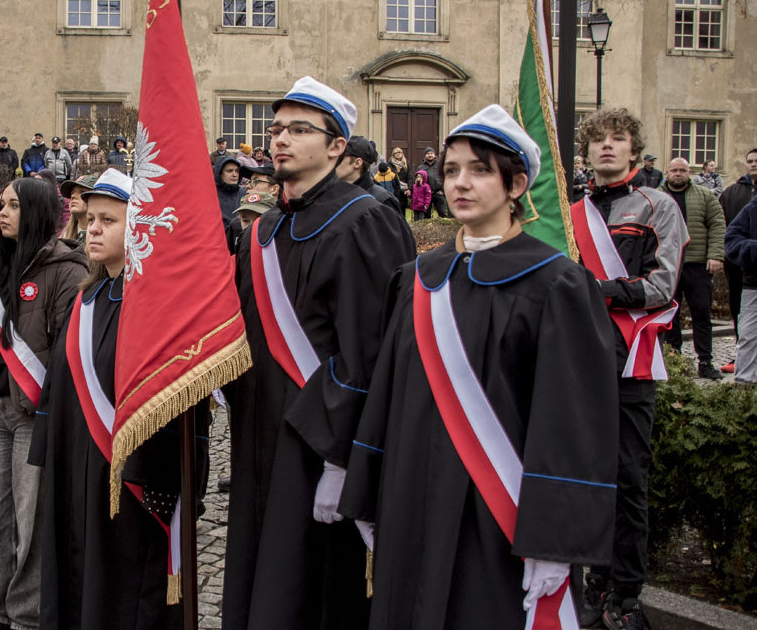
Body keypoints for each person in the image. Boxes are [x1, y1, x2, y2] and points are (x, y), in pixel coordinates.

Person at [339, 103, 620, 630]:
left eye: (479, 169)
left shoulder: (556, 283)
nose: (459, 183)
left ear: (516, 185)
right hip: (410, 496)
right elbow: (386, 394)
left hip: (497, 511)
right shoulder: (418, 278)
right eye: (450, 170)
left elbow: (573, 420)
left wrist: (555, 540)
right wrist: (369, 489)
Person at [227, 77, 415, 630]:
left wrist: (343, 461)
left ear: (338, 147)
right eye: (277, 128)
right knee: (260, 566)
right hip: (257, 428)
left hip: (318, 444)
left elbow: (372, 352)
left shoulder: (365, 222)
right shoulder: (264, 232)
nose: (281, 139)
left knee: (311, 585)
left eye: (300, 129)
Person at [31, 168, 204, 630]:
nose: (92, 229)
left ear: (140, 227)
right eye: (90, 219)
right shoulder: (86, 297)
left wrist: (165, 478)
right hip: (76, 465)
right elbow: (59, 383)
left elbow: (180, 401)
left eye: (109, 220)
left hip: (134, 475)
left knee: (125, 583)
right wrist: (50, 451)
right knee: (76, 568)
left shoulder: (159, 304)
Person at [572, 108, 688, 630]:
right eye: (598, 140)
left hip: (629, 363)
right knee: (583, 477)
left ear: (634, 150)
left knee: (626, 480)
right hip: (577, 362)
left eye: (618, 139)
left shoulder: (657, 205)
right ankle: (593, 584)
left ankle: (626, 593)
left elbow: (664, 285)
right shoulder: (572, 213)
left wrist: (602, 293)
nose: (607, 147)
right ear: (586, 152)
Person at [0, 176, 88, 630]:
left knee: (30, 522)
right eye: (0, 205)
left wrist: (54, 418)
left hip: (36, 415)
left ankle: (27, 615)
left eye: (12, 205)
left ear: (35, 211)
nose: (2, 213)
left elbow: (66, 355)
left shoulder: (68, 271)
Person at [660, 157, 726, 380]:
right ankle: (673, 360)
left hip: (697, 265)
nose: (678, 174)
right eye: (674, 170)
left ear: (690, 172)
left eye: (683, 170)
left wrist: (716, 255)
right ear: (667, 172)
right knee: (670, 315)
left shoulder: (705, 196)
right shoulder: (656, 197)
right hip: (667, 266)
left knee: (701, 314)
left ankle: (705, 361)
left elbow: (717, 224)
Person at [719, 148, 757, 371]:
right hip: (744, 270)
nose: (753, 164)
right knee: (744, 321)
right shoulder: (733, 192)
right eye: (750, 161)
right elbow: (726, 232)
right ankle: (745, 375)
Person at [725, 196, 757, 383]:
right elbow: (732, 241)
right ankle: (744, 389)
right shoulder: (752, 207)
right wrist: (753, 251)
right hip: (754, 285)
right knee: (748, 337)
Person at [336, 135, 400, 215]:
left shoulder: (382, 200)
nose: (333, 163)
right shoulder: (333, 196)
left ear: (357, 163)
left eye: (339, 158)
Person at [59, 174, 97, 243]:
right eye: (72, 193)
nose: (73, 196)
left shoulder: (102, 236)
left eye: (82, 192)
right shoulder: (65, 235)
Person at [417, 148, 448, 218]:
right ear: (425, 155)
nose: (430, 155)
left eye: (431, 153)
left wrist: (442, 190)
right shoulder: (421, 167)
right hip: (426, 194)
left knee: (442, 213)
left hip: (438, 192)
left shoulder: (440, 165)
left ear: (434, 154)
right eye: (428, 154)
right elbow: (418, 180)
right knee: (427, 215)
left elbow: (445, 177)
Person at [213, 155, 243, 225]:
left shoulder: (244, 193)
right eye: (229, 171)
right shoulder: (212, 195)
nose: (234, 174)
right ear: (220, 173)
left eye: (237, 171)